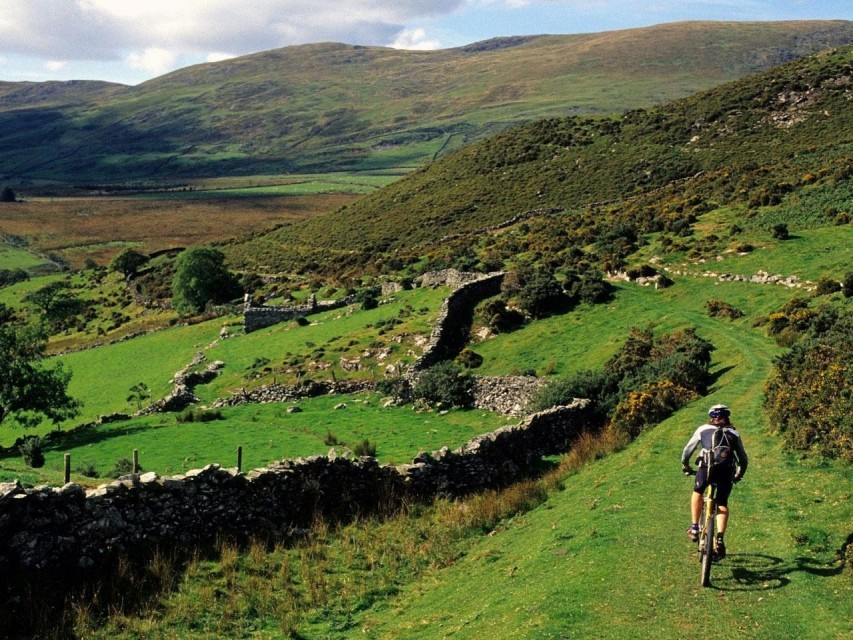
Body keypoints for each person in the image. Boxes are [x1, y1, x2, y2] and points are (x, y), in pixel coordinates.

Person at [680, 404, 748, 559]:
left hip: (706, 468)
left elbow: (687, 451)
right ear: (727, 417)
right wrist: (739, 474)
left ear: (711, 418)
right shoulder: (734, 433)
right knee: (722, 503)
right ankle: (719, 539)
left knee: (698, 492)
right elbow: (743, 459)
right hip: (726, 471)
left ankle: (695, 528)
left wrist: (685, 465)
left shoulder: (702, 429)